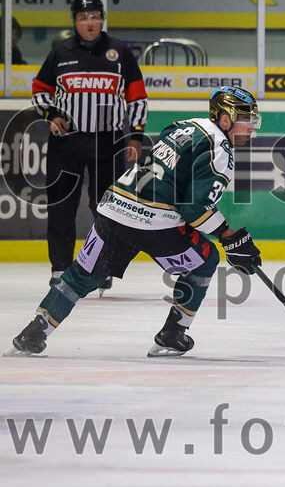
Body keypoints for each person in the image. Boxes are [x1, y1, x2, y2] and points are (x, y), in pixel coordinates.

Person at [7, 86, 264, 358]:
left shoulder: (182, 126)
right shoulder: (220, 150)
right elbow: (193, 208)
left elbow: (175, 185)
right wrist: (228, 236)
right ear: (225, 119)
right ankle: (172, 334)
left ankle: (36, 330)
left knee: (81, 275)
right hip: (154, 222)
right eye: (246, 120)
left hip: (115, 207)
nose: (251, 128)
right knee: (206, 258)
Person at [31, 0, 148, 294]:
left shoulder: (119, 52)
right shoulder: (60, 52)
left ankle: (101, 267)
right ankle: (60, 269)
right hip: (66, 143)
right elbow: (39, 90)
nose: (90, 22)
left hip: (108, 142)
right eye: (83, 17)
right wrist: (52, 114)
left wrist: (135, 134)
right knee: (61, 206)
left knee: (106, 208)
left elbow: (137, 96)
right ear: (75, 21)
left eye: (95, 16)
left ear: (102, 19)